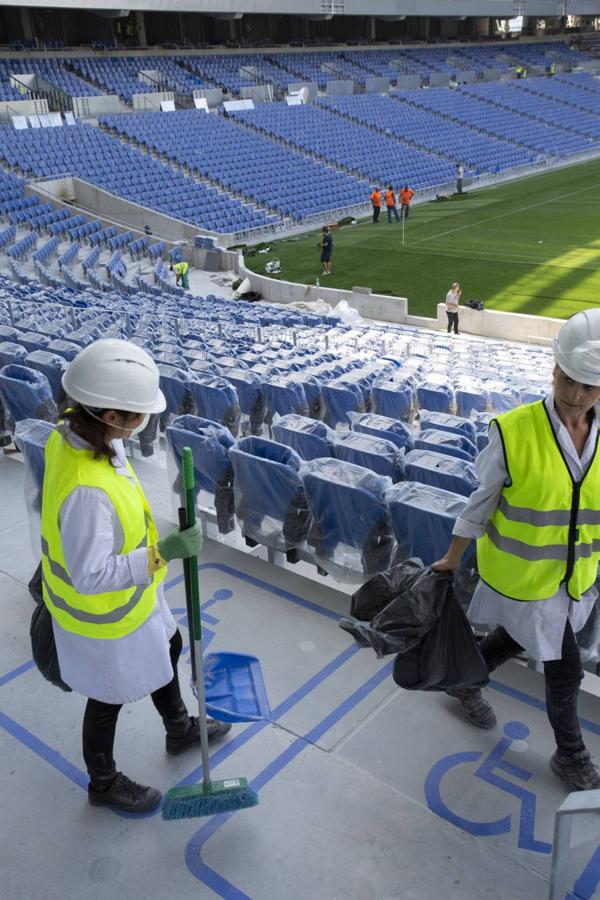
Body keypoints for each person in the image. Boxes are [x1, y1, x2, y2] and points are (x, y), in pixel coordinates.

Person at [41, 340, 231, 813]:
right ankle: (102, 782)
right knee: (108, 697)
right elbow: (90, 574)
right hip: (103, 614)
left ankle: (179, 727)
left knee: (168, 645)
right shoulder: (87, 491)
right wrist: (161, 552)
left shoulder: (80, 432)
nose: (141, 423)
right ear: (109, 414)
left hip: (135, 596)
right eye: (135, 415)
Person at [432, 309, 600, 791]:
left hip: (575, 577)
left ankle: (465, 679)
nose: (575, 396)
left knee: (517, 636)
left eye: (588, 388)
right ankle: (571, 755)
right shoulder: (512, 430)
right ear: (553, 371)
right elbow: (480, 501)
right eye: (568, 381)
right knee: (565, 670)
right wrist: (454, 555)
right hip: (527, 579)